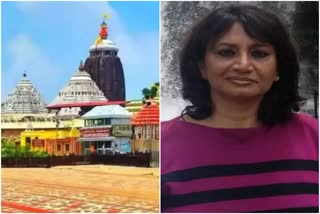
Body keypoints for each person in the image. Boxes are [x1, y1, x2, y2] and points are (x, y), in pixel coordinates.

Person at [161, 5, 318, 213]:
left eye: (259, 53)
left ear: (278, 67)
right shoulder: (164, 145)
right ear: (201, 66)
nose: (243, 65)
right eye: (227, 52)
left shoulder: (312, 136)